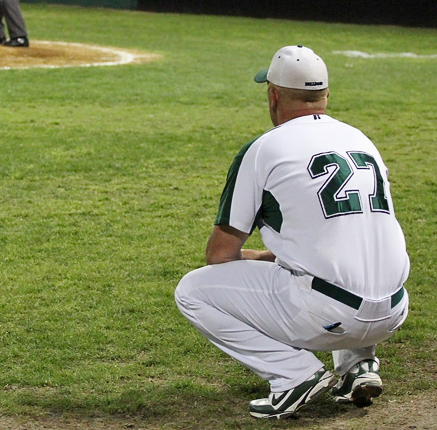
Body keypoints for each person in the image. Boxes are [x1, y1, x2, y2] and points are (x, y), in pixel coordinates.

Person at [175, 45, 409, 420]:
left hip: (328, 314)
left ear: (273, 95)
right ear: (326, 95)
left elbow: (220, 256)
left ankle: (292, 375)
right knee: (351, 260)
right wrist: (281, 256)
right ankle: (358, 368)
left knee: (192, 290)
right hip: (394, 310)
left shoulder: (265, 148)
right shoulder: (362, 141)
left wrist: (262, 258)